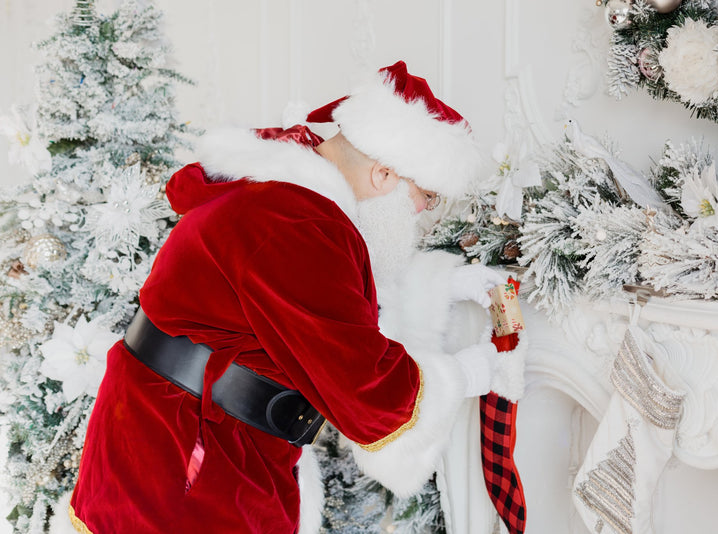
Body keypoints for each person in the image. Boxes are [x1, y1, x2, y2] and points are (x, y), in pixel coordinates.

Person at [68, 61, 510, 534]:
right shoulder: (299, 224)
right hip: (191, 458)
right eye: (428, 197)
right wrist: (466, 374)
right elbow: (364, 384)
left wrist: (442, 285)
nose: (423, 212)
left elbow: (329, 309)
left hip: (175, 435)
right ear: (384, 175)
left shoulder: (281, 196)